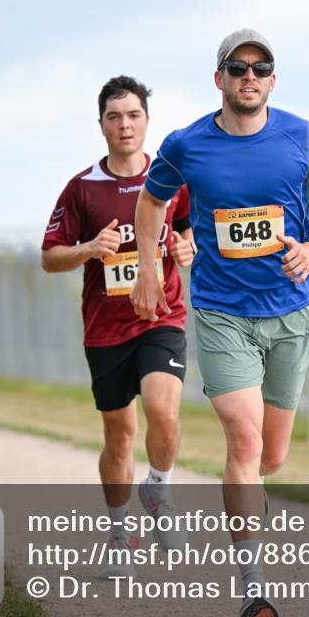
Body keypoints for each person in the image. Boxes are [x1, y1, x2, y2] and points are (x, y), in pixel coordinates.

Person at [131, 29, 309, 617]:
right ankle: (253, 587)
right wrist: (151, 265)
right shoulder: (187, 143)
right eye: (237, 68)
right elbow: (151, 205)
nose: (249, 77)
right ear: (220, 79)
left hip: (289, 312)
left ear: (273, 80)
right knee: (243, 436)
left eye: (260, 68)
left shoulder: (305, 137)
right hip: (220, 312)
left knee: (270, 457)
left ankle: (249, 498)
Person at [41, 75, 194, 578]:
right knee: (120, 433)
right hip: (105, 328)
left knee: (162, 411)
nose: (124, 124)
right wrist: (88, 249)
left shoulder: (172, 180)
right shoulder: (82, 188)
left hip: (161, 316)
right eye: (114, 116)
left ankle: (160, 490)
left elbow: (192, 233)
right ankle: (119, 534)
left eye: (133, 115)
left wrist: (186, 248)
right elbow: (50, 258)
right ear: (101, 124)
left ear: (147, 121)